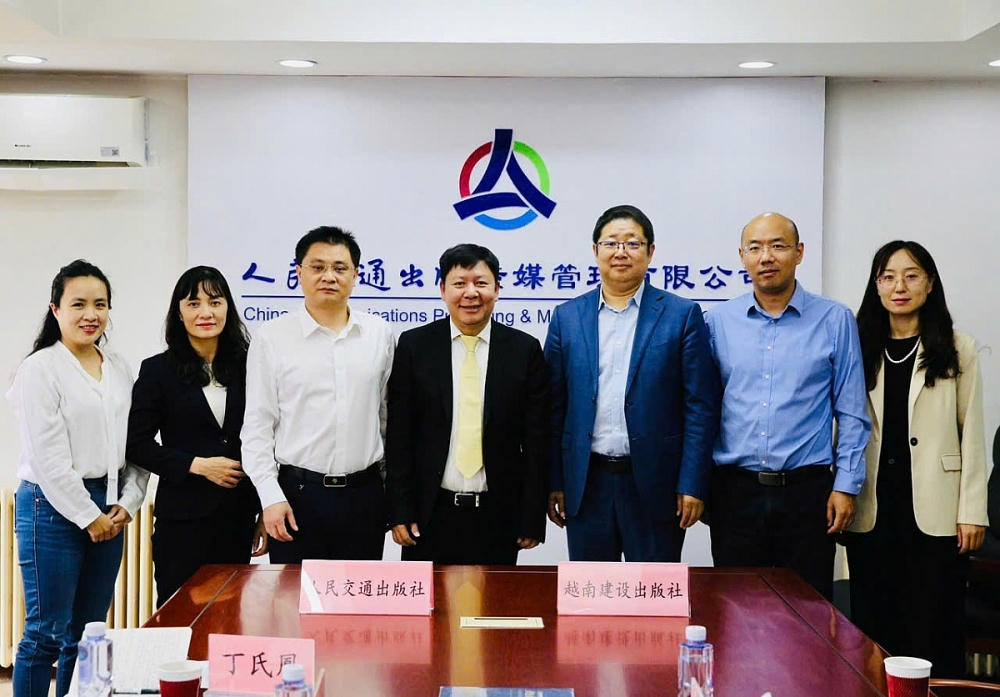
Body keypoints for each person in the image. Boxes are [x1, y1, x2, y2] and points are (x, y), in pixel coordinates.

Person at [705, 212, 870, 600]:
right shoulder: (718, 321)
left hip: (807, 494)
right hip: (735, 492)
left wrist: (846, 485)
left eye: (778, 246)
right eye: (755, 247)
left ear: (799, 253)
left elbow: (851, 412)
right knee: (736, 608)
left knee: (807, 609)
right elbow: (703, 410)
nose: (766, 257)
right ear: (742, 256)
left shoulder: (834, 319)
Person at [544, 204, 720, 562]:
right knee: (591, 590)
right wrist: (555, 481)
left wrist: (691, 482)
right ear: (595, 250)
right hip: (586, 483)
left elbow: (700, 407)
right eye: (611, 243)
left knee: (654, 591)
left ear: (650, 251)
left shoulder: (681, 315)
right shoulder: (567, 317)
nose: (620, 252)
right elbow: (553, 407)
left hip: (658, 484)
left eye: (632, 243)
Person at [844, 240, 987, 677]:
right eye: (887, 277)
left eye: (911, 276)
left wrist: (972, 512)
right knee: (873, 626)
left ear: (930, 283)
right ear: (876, 286)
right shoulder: (859, 345)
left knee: (933, 625)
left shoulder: (957, 347)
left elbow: (972, 433)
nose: (899, 287)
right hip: (872, 508)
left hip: (936, 509)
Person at [6, 260, 149, 697]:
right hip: (50, 507)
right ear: (56, 309)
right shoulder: (40, 369)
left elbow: (137, 442)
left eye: (100, 305)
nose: (91, 314)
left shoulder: (119, 367)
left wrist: (128, 501)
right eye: (79, 304)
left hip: (109, 504)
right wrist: (89, 516)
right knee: (45, 634)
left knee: (87, 633)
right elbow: (48, 459)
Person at [386, 244, 549, 564]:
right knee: (430, 598)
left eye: (481, 283)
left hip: (499, 515)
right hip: (429, 514)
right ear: (443, 290)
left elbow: (537, 439)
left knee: (497, 598)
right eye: (459, 283)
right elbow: (399, 435)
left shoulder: (524, 350)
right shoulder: (415, 346)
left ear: (497, 289)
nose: (470, 293)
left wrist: (531, 516)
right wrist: (399, 509)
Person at [241, 226, 395, 562]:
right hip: (297, 497)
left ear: (356, 275)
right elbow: (257, 426)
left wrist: (388, 490)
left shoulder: (379, 334)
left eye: (340, 268)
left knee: (360, 594)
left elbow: (386, 417)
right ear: (299, 273)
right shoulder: (272, 337)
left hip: (365, 496)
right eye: (318, 267)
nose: (329, 276)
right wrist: (270, 496)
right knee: (293, 595)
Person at [127, 266, 266, 606]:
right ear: (179, 312)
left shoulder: (251, 365)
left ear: (228, 308)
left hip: (237, 515)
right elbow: (136, 444)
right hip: (183, 519)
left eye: (215, 302)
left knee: (230, 616)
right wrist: (197, 465)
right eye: (194, 303)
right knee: (179, 612)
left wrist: (265, 507)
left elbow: (269, 437)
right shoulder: (157, 370)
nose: (206, 312)